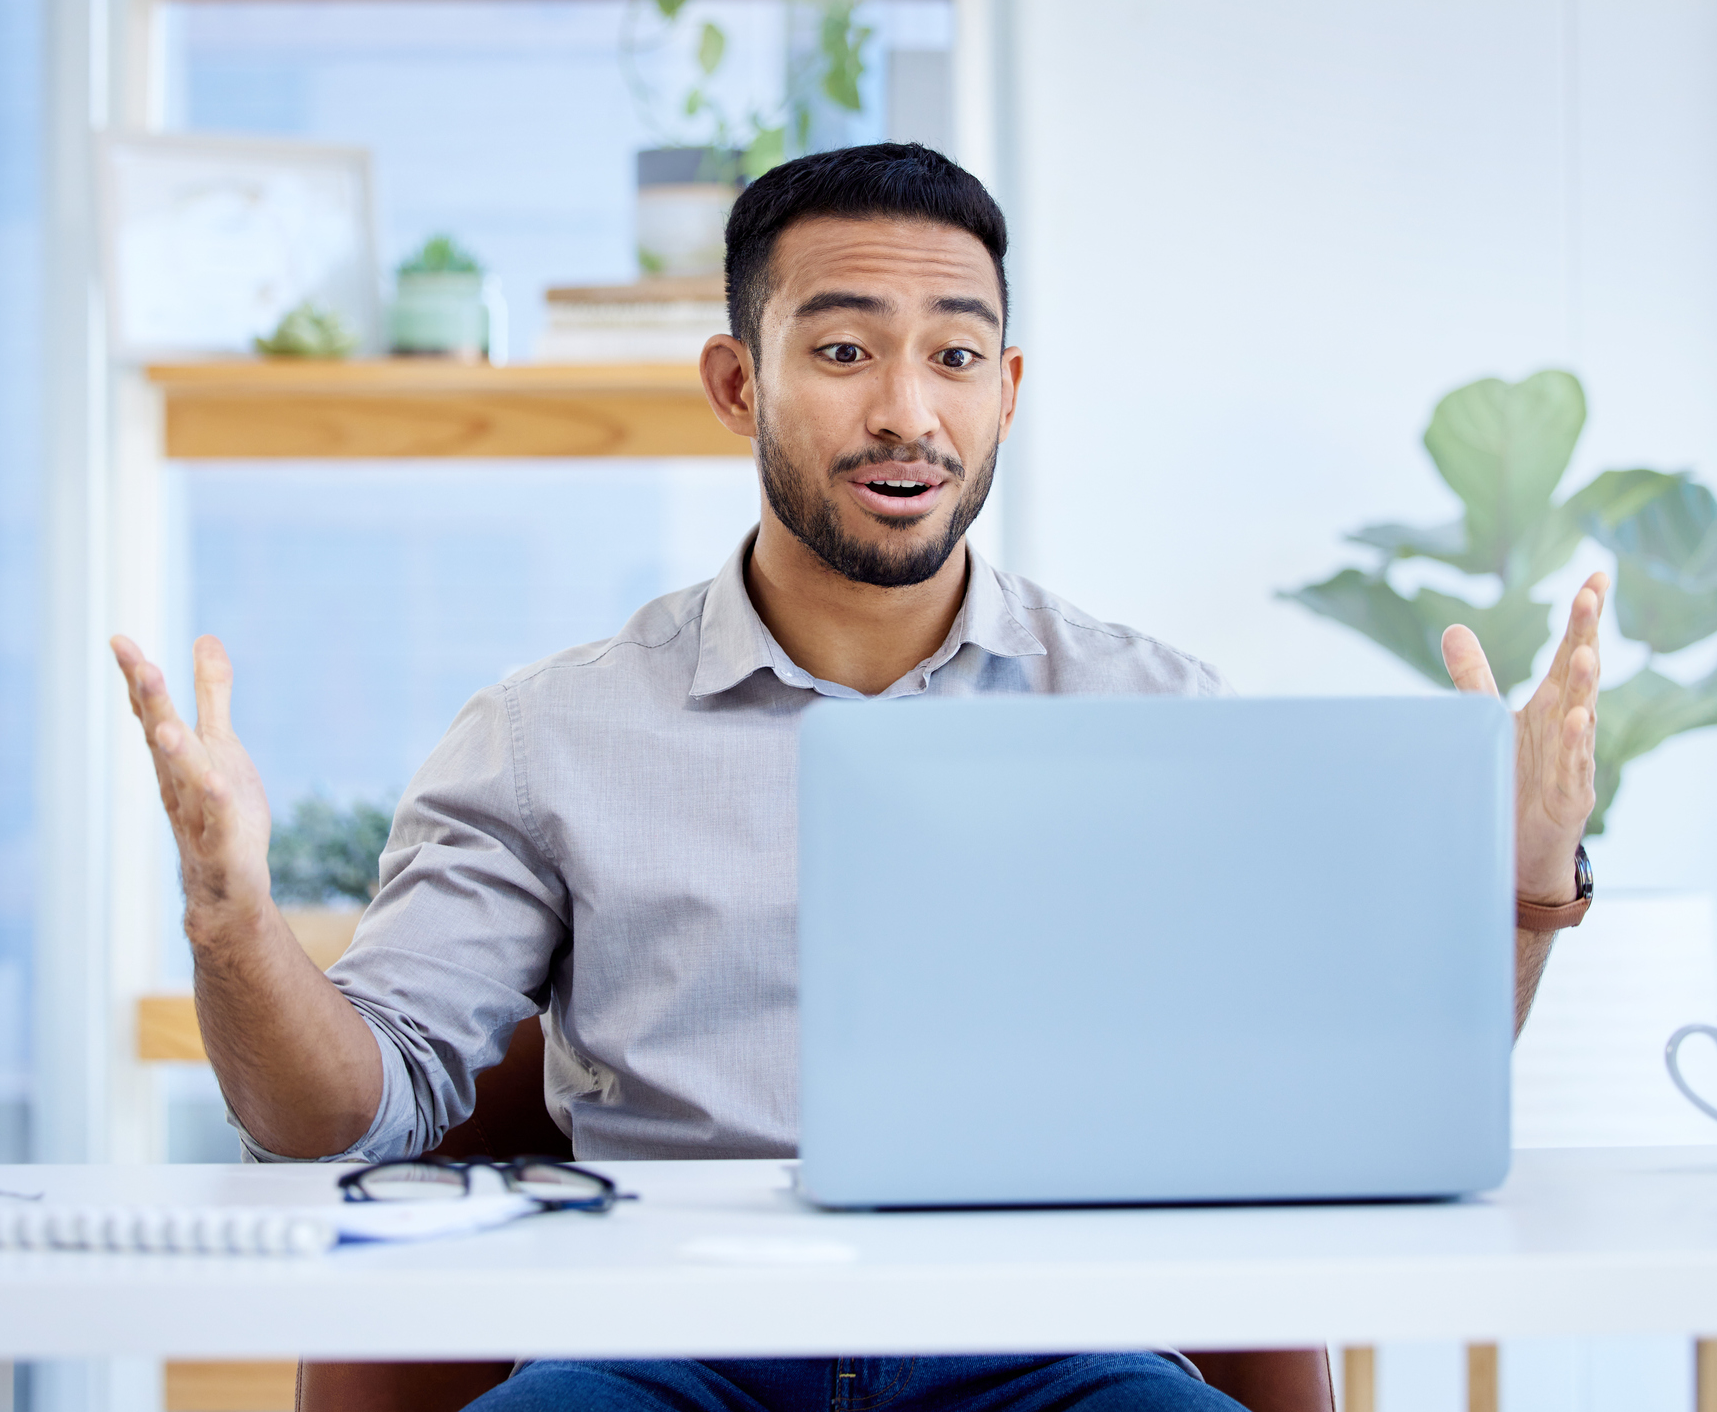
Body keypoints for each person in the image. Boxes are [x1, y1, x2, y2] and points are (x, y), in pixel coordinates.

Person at [111, 143, 1606, 1412]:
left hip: (1047, 1345)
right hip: (654, 1348)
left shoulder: (1155, 711)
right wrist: (237, 921)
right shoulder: (544, 732)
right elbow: (332, 1116)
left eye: (956, 354)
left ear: (1007, 388)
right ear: (732, 380)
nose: (907, 408)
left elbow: (1354, 1098)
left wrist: (1526, 887)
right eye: (841, 351)